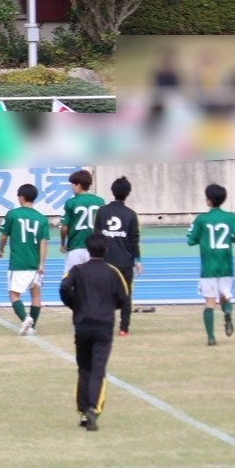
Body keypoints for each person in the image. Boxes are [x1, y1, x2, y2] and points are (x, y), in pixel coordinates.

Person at [59, 233, 131, 430]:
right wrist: (111, 307)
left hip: (82, 325)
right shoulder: (112, 272)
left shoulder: (77, 270)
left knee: (84, 368)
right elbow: (124, 297)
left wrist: (74, 304)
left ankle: (83, 411)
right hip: (103, 326)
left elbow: (64, 287)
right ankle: (93, 408)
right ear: (106, 249)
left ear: (88, 249)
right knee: (98, 369)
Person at [187, 183, 235, 346]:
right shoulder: (231, 217)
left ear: (209, 200)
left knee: (209, 302)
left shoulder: (201, 219)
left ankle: (211, 337)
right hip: (226, 266)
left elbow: (190, 241)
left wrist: (203, 239)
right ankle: (227, 312)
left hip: (209, 267)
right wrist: (229, 239)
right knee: (225, 297)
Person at [0, 183, 50, 336]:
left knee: (14, 294)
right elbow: (44, 242)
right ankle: (32, 326)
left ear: (21, 197)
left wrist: (1, 249)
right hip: (35, 262)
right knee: (36, 295)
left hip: (18, 262)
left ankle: (25, 318)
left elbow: (4, 236)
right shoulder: (42, 218)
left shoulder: (12, 214)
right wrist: (42, 263)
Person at [95, 176, 142, 336]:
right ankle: (124, 328)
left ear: (112, 191)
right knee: (126, 295)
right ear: (128, 193)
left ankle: (103, 325)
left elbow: (96, 236)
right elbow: (134, 240)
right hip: (125, 261)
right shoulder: (131, 215)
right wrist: (138, 260)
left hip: (105, 261)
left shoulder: (102, 212)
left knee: (103, 295)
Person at [60, 169, 104, 272]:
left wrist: (63, 243)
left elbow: (64, 228)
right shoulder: (100, 201)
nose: (72, 187)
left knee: (71, 278)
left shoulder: (71, 202)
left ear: (78, 185)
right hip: (94, 248)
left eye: (73, 184)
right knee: (93, 278)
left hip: (76, 245)